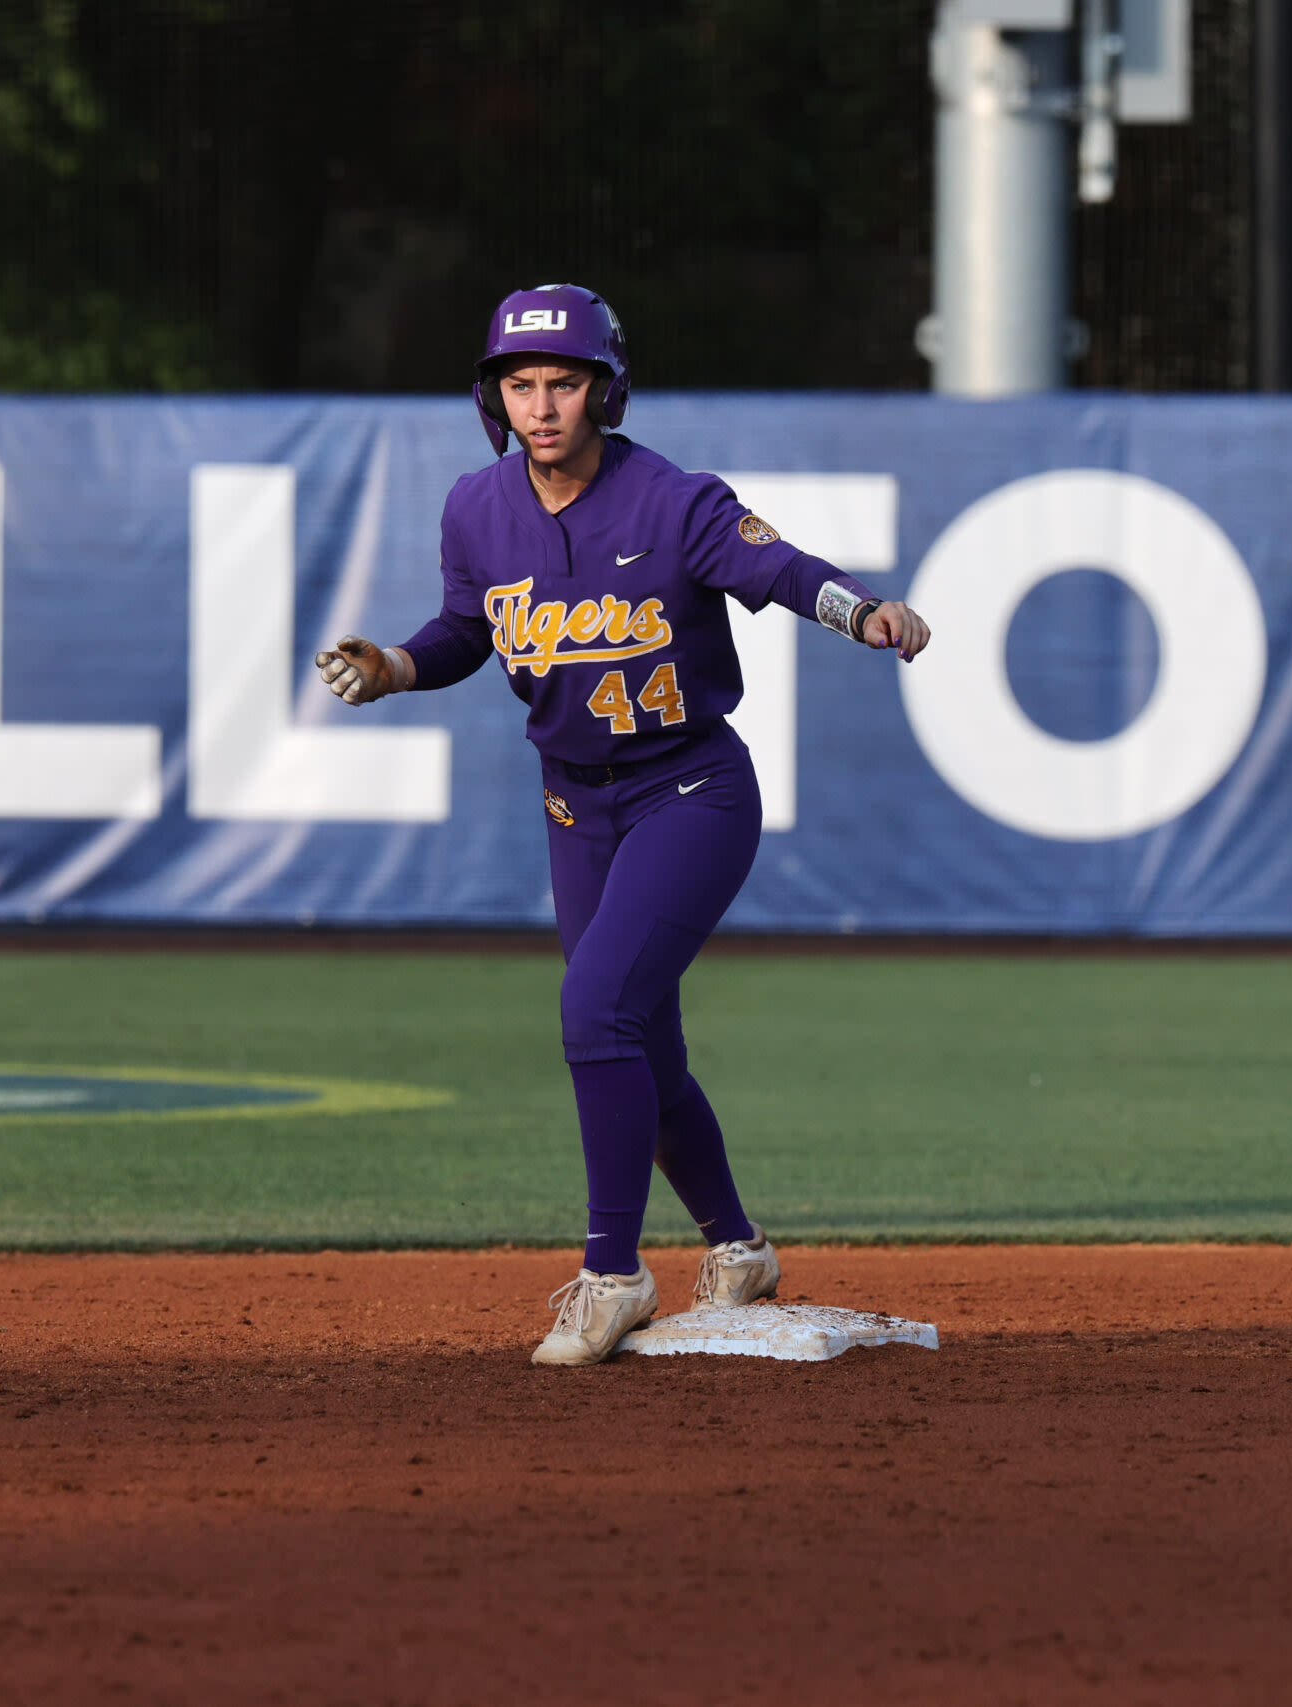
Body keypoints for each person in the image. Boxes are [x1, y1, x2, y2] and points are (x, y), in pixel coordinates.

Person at [314, 284, 931, 1366]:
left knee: (594, 1010)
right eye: (521, 383)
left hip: (689, 789)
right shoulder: (475, 505)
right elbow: (467, 629)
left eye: (563, 382)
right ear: (493, 395)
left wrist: (862, 609)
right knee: (639, 1040)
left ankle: (612, 1273)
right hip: (572, 801)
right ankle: (735, 1249)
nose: (542, 404)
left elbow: (778, 569)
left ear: (604, 389)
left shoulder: (672, 500)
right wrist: (399, 666)